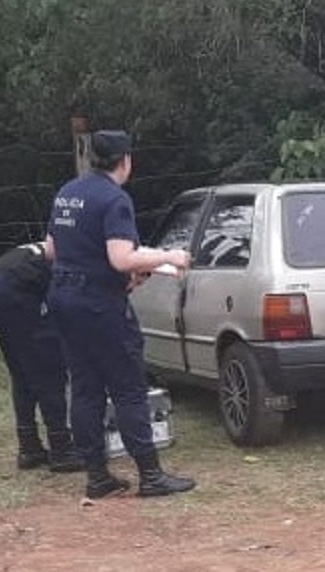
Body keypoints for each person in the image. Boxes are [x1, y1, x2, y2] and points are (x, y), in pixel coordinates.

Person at [45, 129, 196, 499]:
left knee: (85, 388)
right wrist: (167, 257)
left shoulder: (67, 192)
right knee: (128, 388)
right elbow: (121, 258)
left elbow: (52, 250)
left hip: (64, 297)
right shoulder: (115, 200)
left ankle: (97, 476)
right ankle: (150, 475)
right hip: (99, 304)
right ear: (125, 160)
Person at [0, 242, 84, 473]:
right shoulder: (74, 259)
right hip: (15, 289)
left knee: (21, 368)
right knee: (50, 367)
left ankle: (29, 446)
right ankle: (61, 449)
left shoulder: (47, 247)